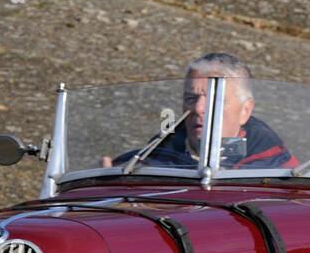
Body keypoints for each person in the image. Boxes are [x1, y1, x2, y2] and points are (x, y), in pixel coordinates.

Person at [105, 53, 296, 170]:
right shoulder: (152, 159)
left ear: (245, 111)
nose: (198, 108)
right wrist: (103, 179)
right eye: (191, 98)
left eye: (215, 99)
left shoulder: (277, 170)